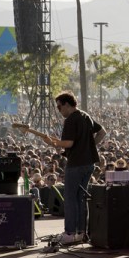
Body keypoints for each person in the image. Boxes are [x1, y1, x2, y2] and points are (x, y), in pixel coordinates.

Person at [42, 91, 106, 245]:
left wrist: (52, 143)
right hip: (89, 163)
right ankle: (81, 232)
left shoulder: (71, 120)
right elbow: (102, 132)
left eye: (59, 107)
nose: (59, 110)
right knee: (80, 198)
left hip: (76, 163)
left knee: (70, 198)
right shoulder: (85, 115)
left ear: (67, 104)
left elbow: (69, 143)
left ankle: (70, 232)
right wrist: (89, 146)